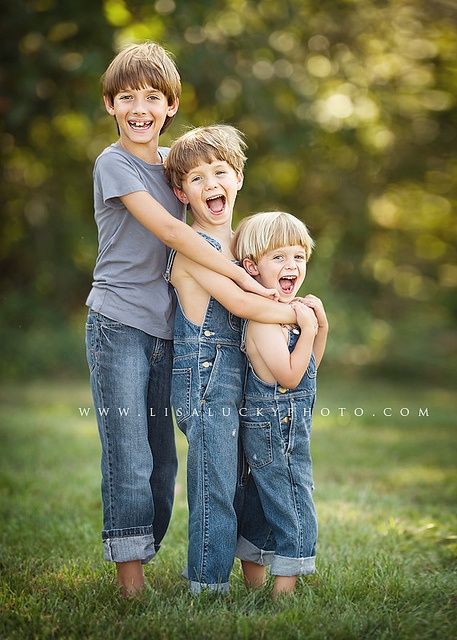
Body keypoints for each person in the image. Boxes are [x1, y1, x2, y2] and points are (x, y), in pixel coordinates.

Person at [85, 42, 277, 597]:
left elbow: (210, 206)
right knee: (130, 453)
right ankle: (131, 584)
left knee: (164, 465)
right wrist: (241, 280)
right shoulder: (113, 163)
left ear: (171, 104)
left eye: (152, 97)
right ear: (109, 105)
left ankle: (156, 554)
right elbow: (173, 233)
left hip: (171, 331)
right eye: (126, 98)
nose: (139, 108)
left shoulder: (175, 166)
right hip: (117, 324)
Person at [163, 125, 301, 594]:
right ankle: (206, 584)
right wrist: (299, 312)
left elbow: (279, 272)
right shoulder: (191, 247)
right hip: (205, 375)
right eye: (197, 179)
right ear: (182, 192)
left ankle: (255, 572)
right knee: (215, 480)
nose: (210, 185)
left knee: (252, 473)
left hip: (242, 373)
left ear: (238, 178)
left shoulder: (244, 243)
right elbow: (242, 307)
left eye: (220, 172)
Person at [232, 211, 329, 599]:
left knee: (262, 500)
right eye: (279, 258)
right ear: (252, 267)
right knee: (293, 500)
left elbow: (310, 368)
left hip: (283, 424)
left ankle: (254, 586)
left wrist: (320, 328)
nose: (292, 266)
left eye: (298, 258)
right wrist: (305, 329)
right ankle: (283, 595)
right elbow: (290, 377)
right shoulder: (264, 322)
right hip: (277, 429)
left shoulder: (287, 316)